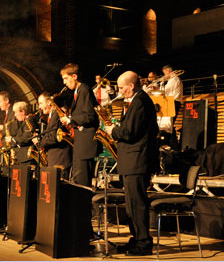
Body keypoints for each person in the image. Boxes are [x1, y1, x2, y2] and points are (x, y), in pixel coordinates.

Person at [105, 71, 159, 256]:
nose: (119, 92)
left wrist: (113, 130)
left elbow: (130, 133)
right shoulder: (136, 101)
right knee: (131, 205)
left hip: (138, 160)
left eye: (121, 88)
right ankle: (136, 239)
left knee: (137, 204)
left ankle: (143, 243)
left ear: (131, 86)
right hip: (132, 161)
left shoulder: (140, 101)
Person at [59, 63, 99, 187]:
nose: (64, 83)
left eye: (66, 78)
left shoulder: (84, 90)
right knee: (78, 180)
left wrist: (70, 119)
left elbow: (90, 116)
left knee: (83, 182)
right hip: (81, 144)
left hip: (86, 145)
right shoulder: (78, 91)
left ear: (74, 76)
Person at [32, 92, 72, 178]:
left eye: (41, 103)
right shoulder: (51, 115)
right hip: (55, 158)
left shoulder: (57, 114)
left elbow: (54, 137)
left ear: (49, 102)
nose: (39, 107)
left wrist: (40, 141)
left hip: (60, 159)